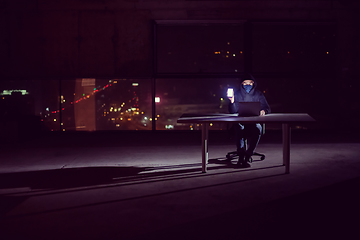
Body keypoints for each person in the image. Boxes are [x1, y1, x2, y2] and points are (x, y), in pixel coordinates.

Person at [228, 74, 271, 168]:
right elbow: (232, 111)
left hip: (254, 122)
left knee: (258, 128)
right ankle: (241, 154)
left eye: (250, 83)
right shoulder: (237, 94)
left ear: (253, 84)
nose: (248, 85)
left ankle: (248, 154)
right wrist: (231, 101)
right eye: (245, 83)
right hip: (240, 121)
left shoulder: (258, 94)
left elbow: (267, 108)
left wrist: (264, 111)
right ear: (241, 84)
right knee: (239, 128)